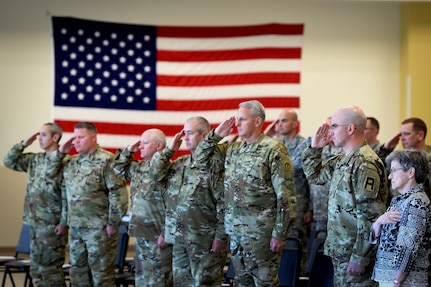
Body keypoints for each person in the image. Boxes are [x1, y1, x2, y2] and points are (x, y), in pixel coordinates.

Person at [197, 100, 296, 286]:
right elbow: (201, 158)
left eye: (242, 119)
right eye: (237, 119)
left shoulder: (273, 149)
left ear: (258, 121)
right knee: (241, 283)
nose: (237, 123)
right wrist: (217, 134)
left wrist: (280, 233)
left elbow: (286, 196)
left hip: (262, 235)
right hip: (236, 234)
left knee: (265, 283)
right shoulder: (234, 149)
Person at [302, 105, 388, 287]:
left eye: (334, 126)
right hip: (341, 250)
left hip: (354, 253)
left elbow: (370, 216)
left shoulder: (365, 163)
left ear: (350, 128)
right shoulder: (342, 159)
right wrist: (315, 148)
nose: (329, 131)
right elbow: (315, 176)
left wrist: (360, 256)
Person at [48, 121, 129, 287]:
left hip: (99, 229)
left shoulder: (106, 160)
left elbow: (118, 194)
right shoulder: (70, 162)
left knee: (101, 276)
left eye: (81, 137)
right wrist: (61, 153)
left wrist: (114, 223)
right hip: (76, 228)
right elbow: (61, 189)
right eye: (74, 137)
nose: (76, 141)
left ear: (93, 137)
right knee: (77, 274)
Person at [152, 117, 228, 286]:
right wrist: (170, 150)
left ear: (205, 135)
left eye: (190, 133)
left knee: (204, 283)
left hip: (205, 240)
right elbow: (155, 175)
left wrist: (221, 236)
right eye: (184, 133)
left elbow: (225, 203)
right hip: (180, 240)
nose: (185, 137)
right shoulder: (180, 164)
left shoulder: (215, 165)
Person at [3, 123, 68, 286]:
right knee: (36, 270)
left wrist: (64, 221)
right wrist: (23, 144)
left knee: (50, 270)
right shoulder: (35, 160)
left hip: (51, 224)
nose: (39, 138)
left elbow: (68, 196)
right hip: (33, 222)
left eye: (43, 134)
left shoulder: (64, 162)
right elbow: (9, 162)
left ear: (55, 137)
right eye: (38, 134)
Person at [112, 129, 173, 286]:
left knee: (159, 280)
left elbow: (175, 204)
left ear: (158, 146)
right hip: (141, 234)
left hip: (158, 236)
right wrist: (128, 151)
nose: (140, 147)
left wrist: (167, 233)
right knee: (142, 281)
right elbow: (118, 169)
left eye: (144, 143)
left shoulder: (169, 170)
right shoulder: (139, 168)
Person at [370, 149, 431, 287]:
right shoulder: (400, 200)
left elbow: (408, 247)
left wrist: (398, 281)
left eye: (394, 170)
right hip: (390, 278)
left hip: (404, 281)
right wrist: (378, 222)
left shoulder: (416, 202)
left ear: (411, 172)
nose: (390, 176)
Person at [264, 108, 311, 274]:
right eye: (278, 121)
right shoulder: (274, 144)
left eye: (284, 120)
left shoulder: (304, 144)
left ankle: (296, 279)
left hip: (298, 204)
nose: (279, 124)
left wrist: (310, 208)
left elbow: (310, 179)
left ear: (294, 124)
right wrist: (266, 137)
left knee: (296, 244)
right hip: (275, 204)